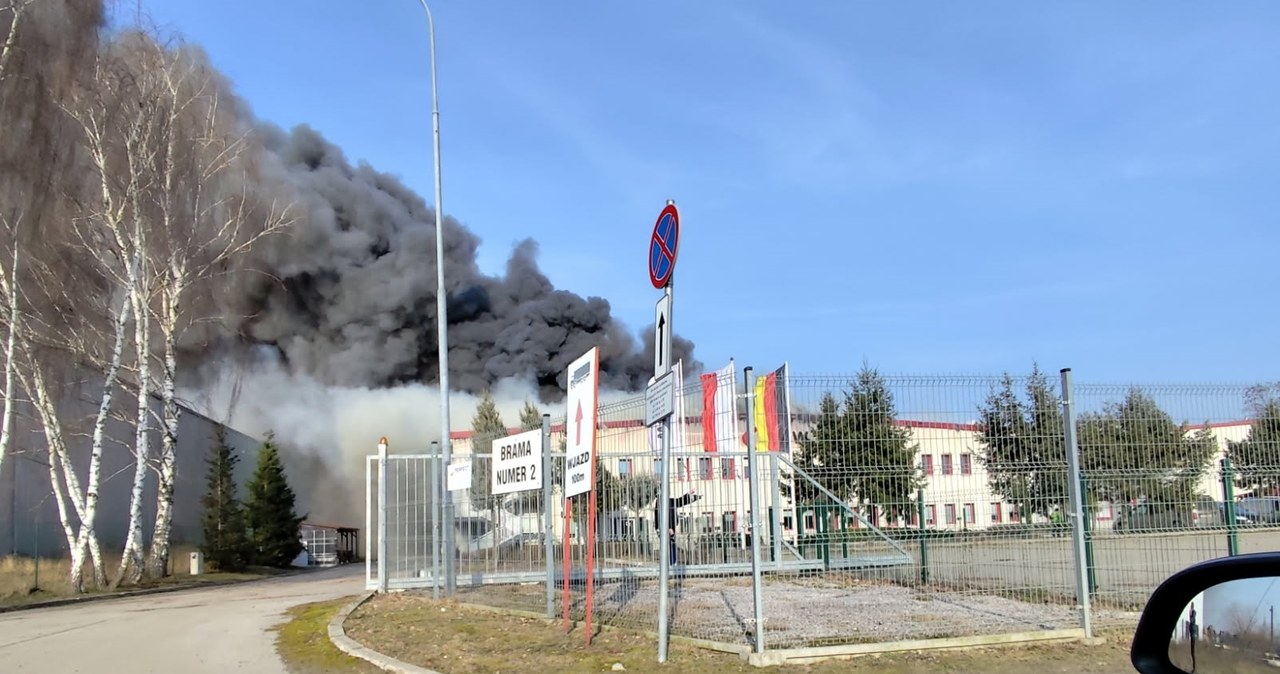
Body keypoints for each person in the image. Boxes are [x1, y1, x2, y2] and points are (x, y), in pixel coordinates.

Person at [654, 488, 701, 565]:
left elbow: (679, 501)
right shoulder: (660, 502)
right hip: (665, 528)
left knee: (671, 544)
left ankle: (672, 563)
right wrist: (668, 528)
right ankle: (670, 564)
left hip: (668, 528)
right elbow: (661, 516)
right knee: (669, 545)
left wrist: (691, 496)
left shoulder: (668, 501)